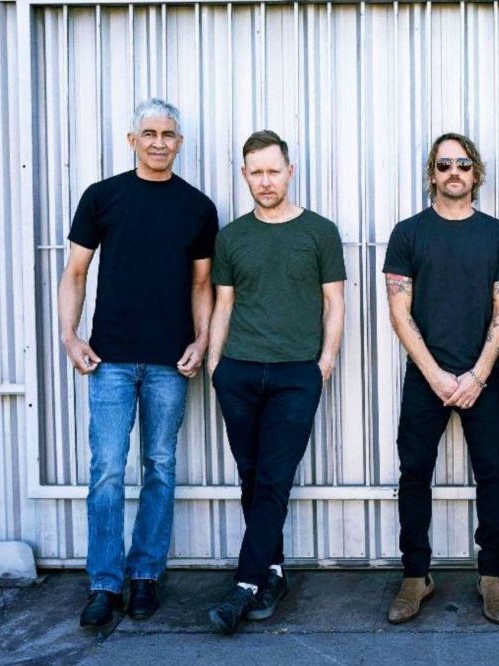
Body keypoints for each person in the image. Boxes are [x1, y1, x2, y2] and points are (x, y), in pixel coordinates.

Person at [59, 98, 218, 628]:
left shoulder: (197, 206)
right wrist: (69, 336)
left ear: (179, 143)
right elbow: (75, 272)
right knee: (106, 469)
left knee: (160, 466)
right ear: (132, 141)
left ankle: (146, 575)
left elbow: (202, 283)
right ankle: (104, 584)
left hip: (170, 361)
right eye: (148, 134)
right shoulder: (102, 197)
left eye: (167, 135)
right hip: (109, 359)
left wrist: (202, 340)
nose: (158, 142)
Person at [205, 130, 346, 634]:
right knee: (251, 476)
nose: (265, 181)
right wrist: (216, 365)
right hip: (239, 371)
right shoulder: (231, 237)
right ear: (245, 176)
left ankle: (244, 586)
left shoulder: (320, 231)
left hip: (295, 375)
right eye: (256, 172)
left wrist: (323, 363)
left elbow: (334, 301)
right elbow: (224, 304)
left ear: (289, 171)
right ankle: (273, 572)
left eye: (273, 171)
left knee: (273, 477)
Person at [383, 133, 499, 625]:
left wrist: (477, 375)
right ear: (432, 174)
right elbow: (399, 312)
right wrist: (436, 375)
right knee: (414, 473)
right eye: (444, 165)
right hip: (426, 377)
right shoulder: (408, 233)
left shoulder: (497, 235)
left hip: (482, 375)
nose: (454, 172)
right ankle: (415, 576)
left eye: (463, 164)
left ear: (475, 173)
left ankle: (492, 576)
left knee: (492, 474)